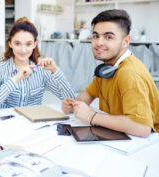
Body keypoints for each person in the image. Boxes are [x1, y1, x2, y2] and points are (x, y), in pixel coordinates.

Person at [62, 9, 159, 138]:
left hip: (146, 142)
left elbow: (142, 128)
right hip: (119, 134)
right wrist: (73, 105)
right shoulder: (107, 69)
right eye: (96, 36)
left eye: (108, 37)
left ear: (125, 41)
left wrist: (91, 116)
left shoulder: (130, 73)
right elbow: (88, 94)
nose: (99, 42)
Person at [0, 17, 75, 110]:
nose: (23, 50)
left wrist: (55, 70)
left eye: (28, 44)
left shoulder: (41, 70)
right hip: (6, 122)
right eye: (17, 43)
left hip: (34, 122)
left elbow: (71, 100)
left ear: (34, 44)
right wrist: (16, 78)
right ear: (10, 44)